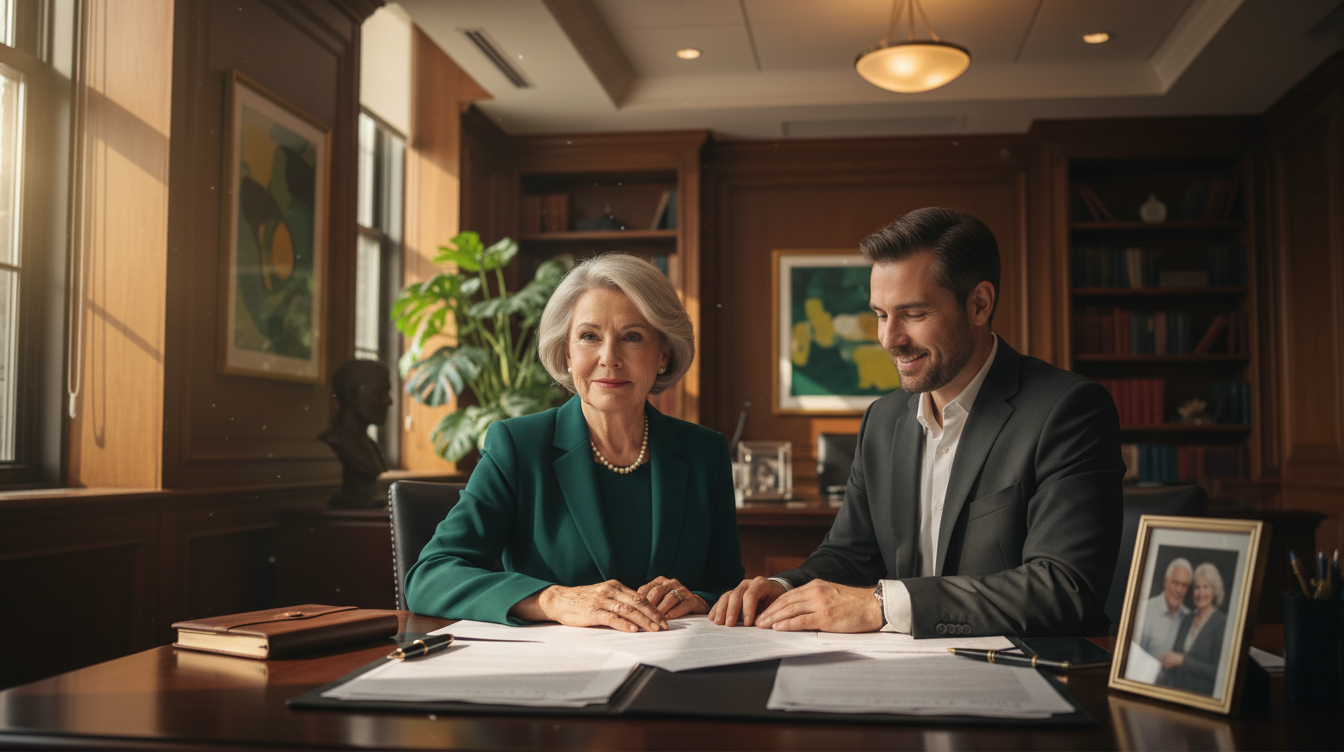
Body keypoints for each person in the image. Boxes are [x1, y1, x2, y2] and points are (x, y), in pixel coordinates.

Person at [709, 207, 1125, 637]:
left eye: (914, 314)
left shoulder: (1069, 410)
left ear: (979, 304)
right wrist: (782, 587)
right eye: (880, 314)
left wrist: (884, 606)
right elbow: (850, 555)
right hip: (899, 671)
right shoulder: (882, 420)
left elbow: (1065, 586)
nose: (889, 339)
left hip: (1021, 675)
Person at [406, 254, 744, 631]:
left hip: (673, 667)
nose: (609, 358)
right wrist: (552, 599)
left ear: (663, 355)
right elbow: (429, 577)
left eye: (632, 337)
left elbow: (726, 588)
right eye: (589, 337)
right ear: (567, 351)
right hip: (554, 674)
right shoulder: (518, 446)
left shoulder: (704, 453)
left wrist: (699, 599)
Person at [319, 359, 393, 508]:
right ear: (352, 395)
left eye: (388, 391)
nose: (389, 401)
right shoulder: (335, 441)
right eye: (380, 391)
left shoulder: (371, 446)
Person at [1157, 562, 1228, 695]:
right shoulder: (1187, 618)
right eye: (1197, 587)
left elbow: (1219, 672)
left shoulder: (1222, 623)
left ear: (1215, 590)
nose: (1200, 593)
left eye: (1206, 587)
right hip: (1176, 693)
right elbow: (1175, 656)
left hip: (1201, 697)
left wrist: (1183, 661)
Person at [1137, 557, 1192, 659]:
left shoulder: (1189, 617)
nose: (1179, 590)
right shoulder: (1145, 610)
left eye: (1184, 585)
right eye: (1175, 583)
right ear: (1166, 582)